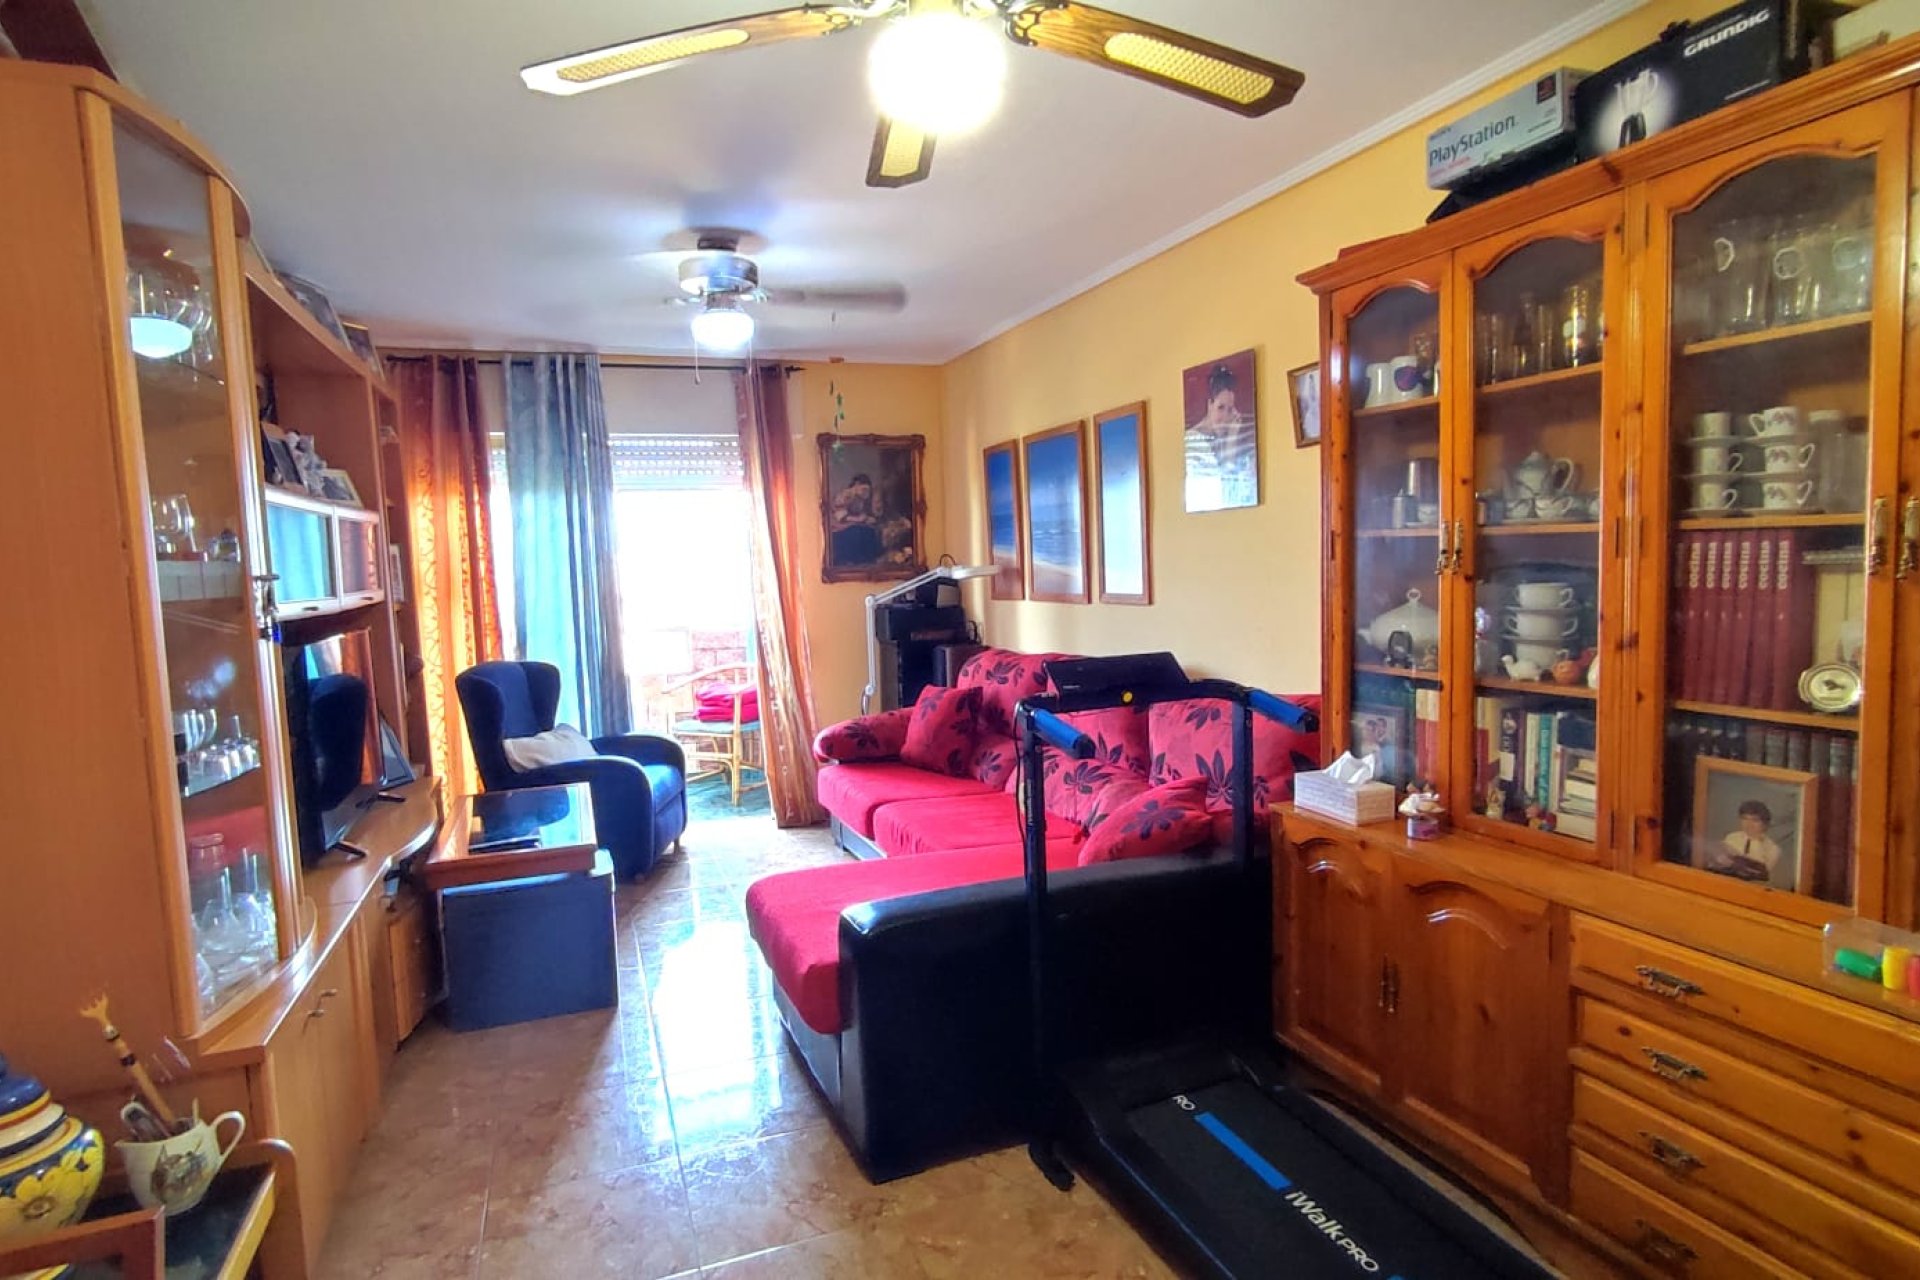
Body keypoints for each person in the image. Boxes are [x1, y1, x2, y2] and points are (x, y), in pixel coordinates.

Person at [1185, 363, 1257, 510]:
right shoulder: (1194, 444)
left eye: (1230, 410)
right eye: (1221, 408)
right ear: (1210, 405)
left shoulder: (1218, 440)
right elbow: (1225, 496)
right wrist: (1231, 439)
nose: (1225, 417)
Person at [1707, 798, 1781, 883]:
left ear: (1764, 824)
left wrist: (1756, 841)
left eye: (1755, 820)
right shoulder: (1732, 837)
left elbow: (1760, 874)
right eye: (1745, 819)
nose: (1748, 824)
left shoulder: (1773, 849)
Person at [829, 471, 882, 564]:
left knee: (870, 531)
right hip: (839, 528)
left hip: (853, 525)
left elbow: (864, 513)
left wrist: (867, 518)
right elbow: (839, 515)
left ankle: (869, 559)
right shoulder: (847, 495)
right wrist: (858, 520)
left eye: (868, 491)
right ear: (856, 485)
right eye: (864, 490)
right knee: (858, 532)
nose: (866, 493)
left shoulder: (862, 499)